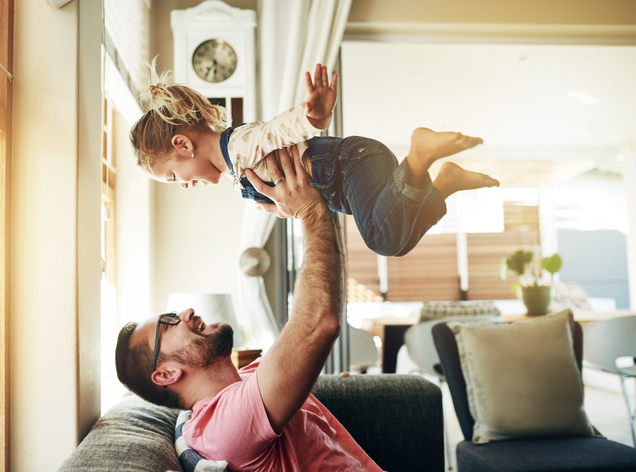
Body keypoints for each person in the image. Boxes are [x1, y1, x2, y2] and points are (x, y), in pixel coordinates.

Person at [115, 146, 383, 471]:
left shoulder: (246, 380)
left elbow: (302, 340)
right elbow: (315, 324)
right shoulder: (221, 427)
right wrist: (311, 210)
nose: (184, 312)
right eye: (169, 323)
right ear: (167, 374)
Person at [129, 62, 499, 257]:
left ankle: (420, 157)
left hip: (351, 164)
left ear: (182, 145)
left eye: (176, 178)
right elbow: (282, 200)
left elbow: (276, 131)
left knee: (383, 239)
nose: (186, 185)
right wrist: (280, 209)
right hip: (348, 180)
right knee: (394, 241)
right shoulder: (232, 171)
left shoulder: (238, 145)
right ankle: (444, 183)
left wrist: (313, 118)